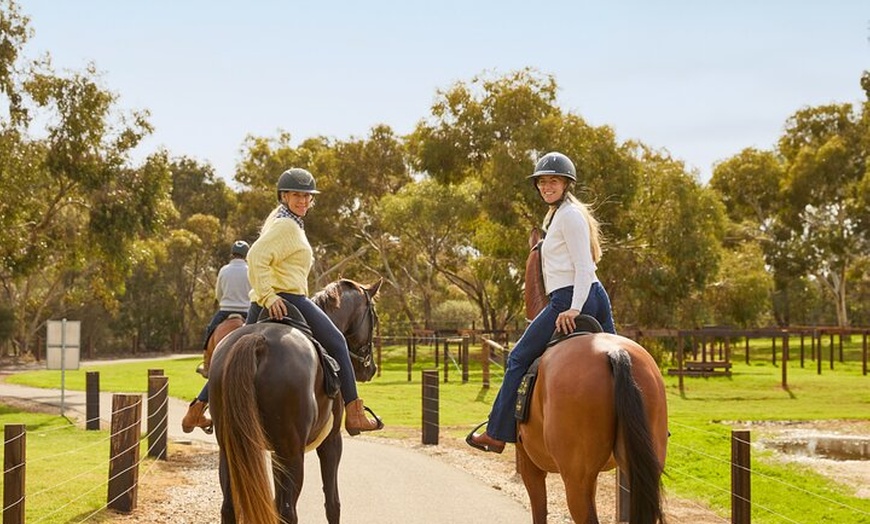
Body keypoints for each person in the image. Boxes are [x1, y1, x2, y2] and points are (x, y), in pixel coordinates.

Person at [466, 151, 615, 453]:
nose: (547, 187)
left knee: (519, 358)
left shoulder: (569, 216)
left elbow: (584, 267)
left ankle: (496, 432)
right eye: (543, 182)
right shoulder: (559, 215)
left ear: (566, 184)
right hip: (592, 296)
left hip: (573, 298)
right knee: (619, 364)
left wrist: (573, 307)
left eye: (554, 182)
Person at [244, 167, 383, 435]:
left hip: (260, 302)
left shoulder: (283, 222)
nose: (304, 201)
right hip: (289, 298)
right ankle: (354, 414)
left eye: (308, 196)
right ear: (284, 196)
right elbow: (255, 256)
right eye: (297, 195)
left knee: (233, 352)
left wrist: (264, 296)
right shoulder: (286, 226)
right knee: (338, 342)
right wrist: (270, 295)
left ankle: (199, 407)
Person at [181, 240, 252, 433]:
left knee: (209, 331)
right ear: (246, 254)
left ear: (232, 254)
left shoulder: (223, 270)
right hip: (247, 312)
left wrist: (227, 302)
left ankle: (206, 363)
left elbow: (219, 293)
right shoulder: (250, 269)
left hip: (225, 310)